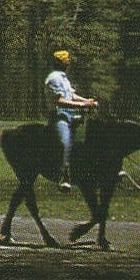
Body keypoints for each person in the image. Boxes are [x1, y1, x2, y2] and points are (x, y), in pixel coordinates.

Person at [44, 50, 98, 191]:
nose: (69, 63)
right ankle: (63, 176)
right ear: (59, 63)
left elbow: (71, 95)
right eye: (66, 61)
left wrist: (87, 100)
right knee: (65, 142)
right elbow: (60, 101)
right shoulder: (54, 78)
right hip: (59, 116)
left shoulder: (64, 78)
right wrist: (83, 105)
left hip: (71, 115)